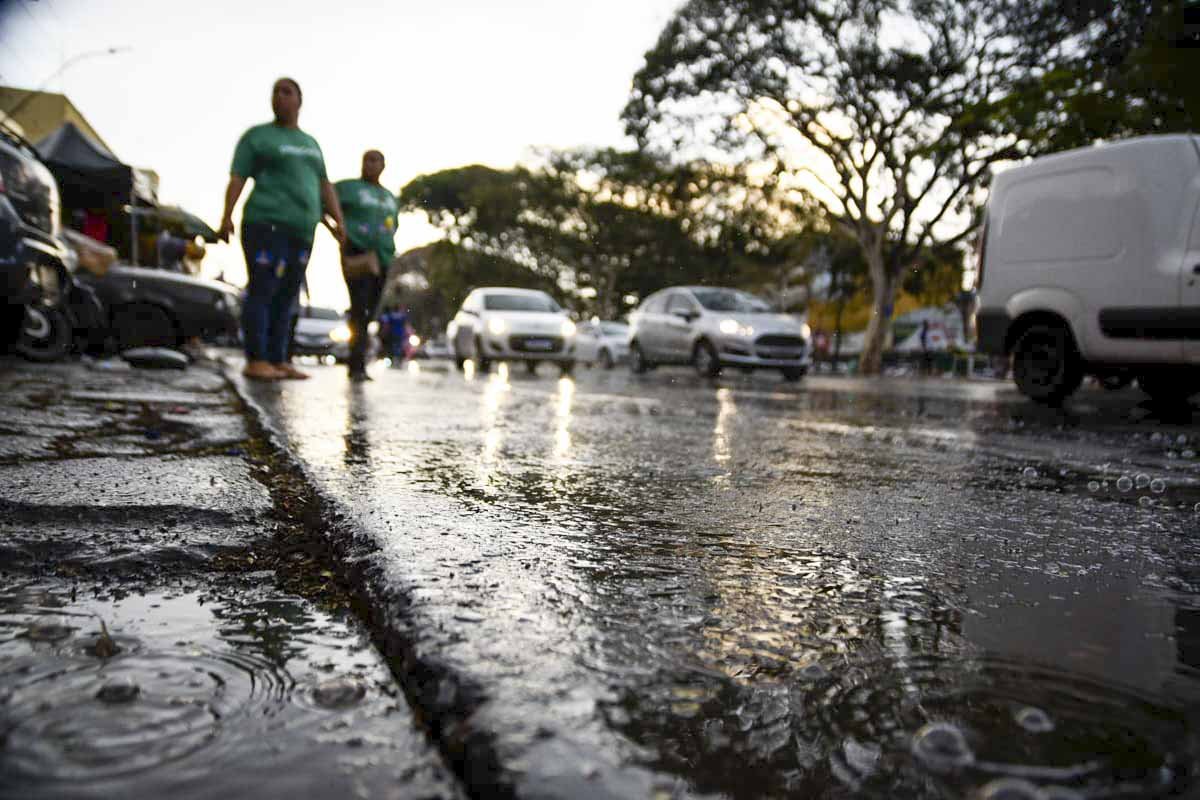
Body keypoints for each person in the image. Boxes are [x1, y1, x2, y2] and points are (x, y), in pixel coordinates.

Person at [218, 77, 346, 381]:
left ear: (299, 101)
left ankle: (279, 359)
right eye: (275, 91)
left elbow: (323, 185)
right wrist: (226, 217)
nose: (279, 96)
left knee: (288, 295)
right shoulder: (258, 137)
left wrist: (338, 221)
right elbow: (238, 177)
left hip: (302, 231)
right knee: (262, 288)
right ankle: (256, 359)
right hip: (265, 223)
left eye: (286, 91)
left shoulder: (311, 144)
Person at [334, 150, 399, 381]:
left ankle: (359, 360)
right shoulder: (348, 188)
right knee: (359, 308)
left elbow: (394, 225)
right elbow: (324, 202)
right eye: (367, 160)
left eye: (376, 161)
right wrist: (338, 231)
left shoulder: (390, 196)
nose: (371, 165)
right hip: (357, 254)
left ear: (383, 165)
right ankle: (356, 364)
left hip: (382, 259)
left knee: (370, 311)